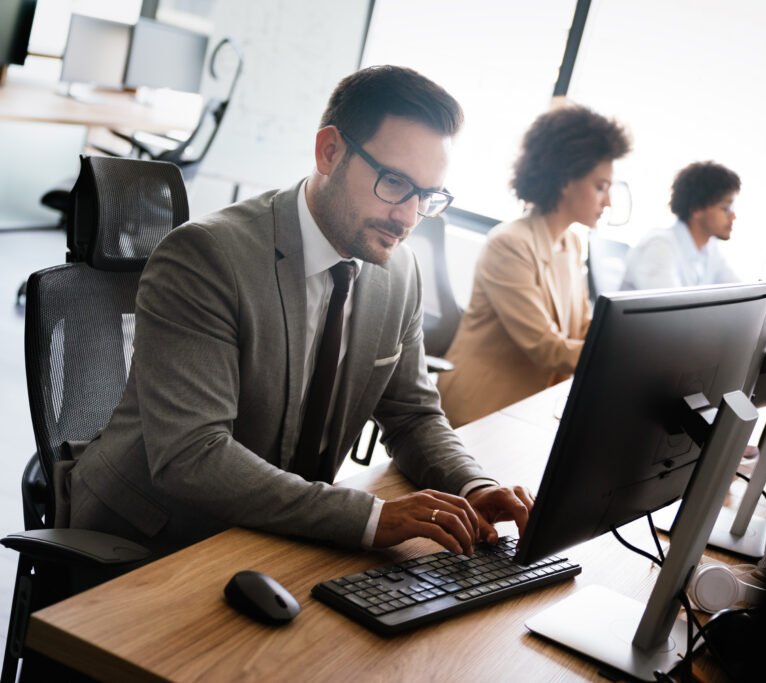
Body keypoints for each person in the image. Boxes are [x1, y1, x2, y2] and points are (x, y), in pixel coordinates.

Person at [67, 65, 531, 558]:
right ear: (329, 151)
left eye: (426, 196)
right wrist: (371, 517)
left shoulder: (399, 272)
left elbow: (412, 416)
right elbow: (193, 456)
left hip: (284, 532)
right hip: (152, 538)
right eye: (394, 182)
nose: (407, 217)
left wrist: (472, 485)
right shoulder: (207, 257)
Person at [436, 105, 630, 427]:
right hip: (481, 408)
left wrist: (624, 340)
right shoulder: (510, 244)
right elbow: (546, 347)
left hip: (533, 404)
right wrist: (624, 360)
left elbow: (581, 327)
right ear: (566, 180)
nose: (607, 202)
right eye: (600, 187)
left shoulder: (571, 243)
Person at [621, 161, 741, 290]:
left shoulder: (710, 249)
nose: (733, 216)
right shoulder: (659, 246)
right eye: (726, 208)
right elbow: (667, 302)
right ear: (697, 209)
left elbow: (739, 291)